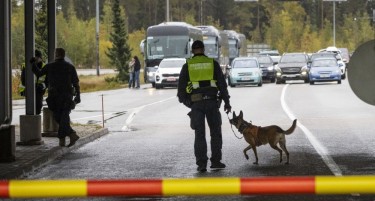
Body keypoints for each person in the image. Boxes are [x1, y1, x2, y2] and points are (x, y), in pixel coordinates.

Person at [177, 40, 232, 172]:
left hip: (197, 104)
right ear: (203, 49)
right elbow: (222, 85)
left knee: (199, 134)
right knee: (216, 133)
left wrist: (189, 103)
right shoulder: (212, 64)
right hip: (213, 103)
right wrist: (227, 102)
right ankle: (216, 161)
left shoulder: (187, 66)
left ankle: (202, 164)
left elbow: (181, 91)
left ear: (192, 51)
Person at [32, 48, 81, 147]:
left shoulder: (50, 66)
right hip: (67, 96)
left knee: (59, 117)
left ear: (56, 55)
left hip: (55, 97)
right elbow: (76, 83)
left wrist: (33, 63)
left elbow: (38, 73)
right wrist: (78, 95)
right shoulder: (70, 67)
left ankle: (64, 138)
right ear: (63, 55)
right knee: (63, 118)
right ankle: (71, 135)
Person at [19, 50, 47, 115]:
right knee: (30, 107)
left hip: (39, 90)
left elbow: (47, 80)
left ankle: (35, 119)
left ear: (41, 58)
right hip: (29, 89)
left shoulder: (44, 66)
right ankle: (33, 121)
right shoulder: (26, 66)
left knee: (38, 106)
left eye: (37, 57)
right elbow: (23, 79)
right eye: (35, 57)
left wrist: (42, 86)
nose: (36, 59)